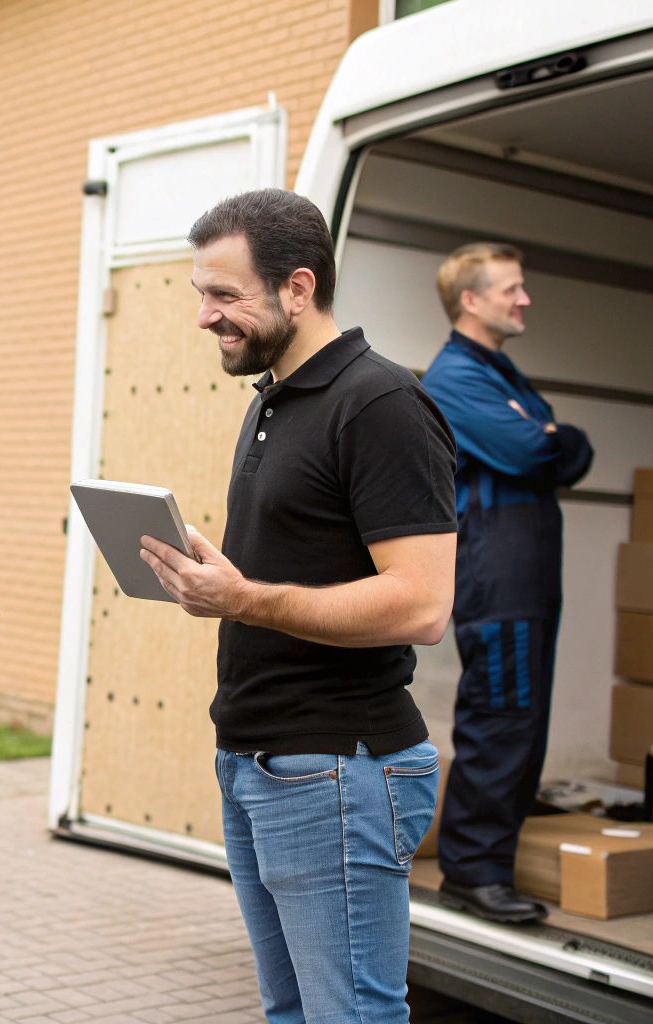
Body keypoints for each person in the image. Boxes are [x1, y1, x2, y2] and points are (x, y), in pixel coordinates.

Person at [138, 189, 455, 1024]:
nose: (205, 317)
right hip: (255, 762)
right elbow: (303, 567)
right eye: (200, 294)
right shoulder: (273, 401)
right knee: (291, 1013)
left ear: (299, 287)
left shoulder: (381, 404)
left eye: (225, 295)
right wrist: (219, 579)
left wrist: (245, 597)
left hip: (338, 771)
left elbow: (422, 604)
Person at [421, 243, 593, 923]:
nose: (524, 300)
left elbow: (571, 448)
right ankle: (471, 872)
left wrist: (555, 436)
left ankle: (489, 862)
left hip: (527, 575)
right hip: (498, 575)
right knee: (501, 717)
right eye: (512, 290)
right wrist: (549, 436)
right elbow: (537, 449)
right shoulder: (456, 377)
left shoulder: (500, 371)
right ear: (471, 299)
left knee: (524, 722)